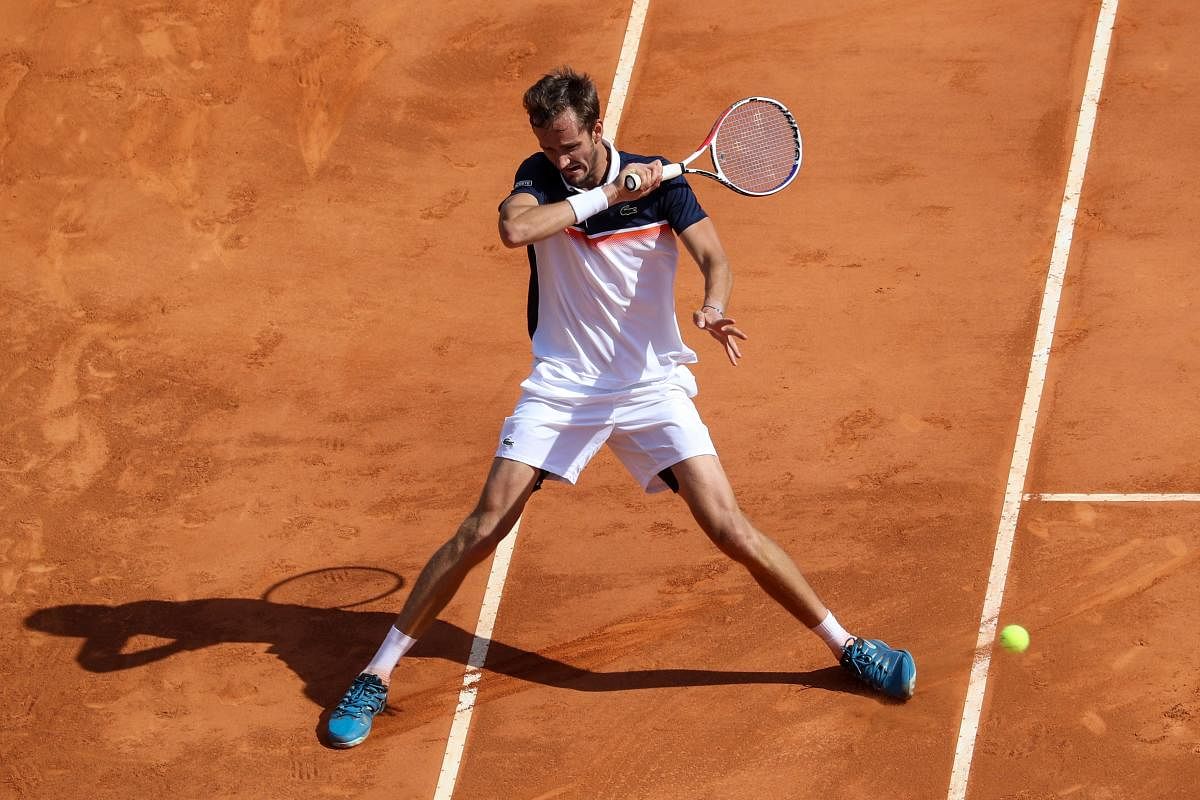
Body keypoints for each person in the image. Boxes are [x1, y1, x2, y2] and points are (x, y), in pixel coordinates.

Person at [325, 66, 916, 749]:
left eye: (571, 145)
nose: (561, 158)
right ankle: (376, 673)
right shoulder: (541, 179)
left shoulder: (666, 186)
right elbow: (516, 232)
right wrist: (603, 194)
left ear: (598, 127)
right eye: (549, 146)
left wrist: (713, 305)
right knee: (481, 529)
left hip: (648, 385)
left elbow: (715, 261)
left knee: (730, 528)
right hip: (565, 386)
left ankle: (847, 647)